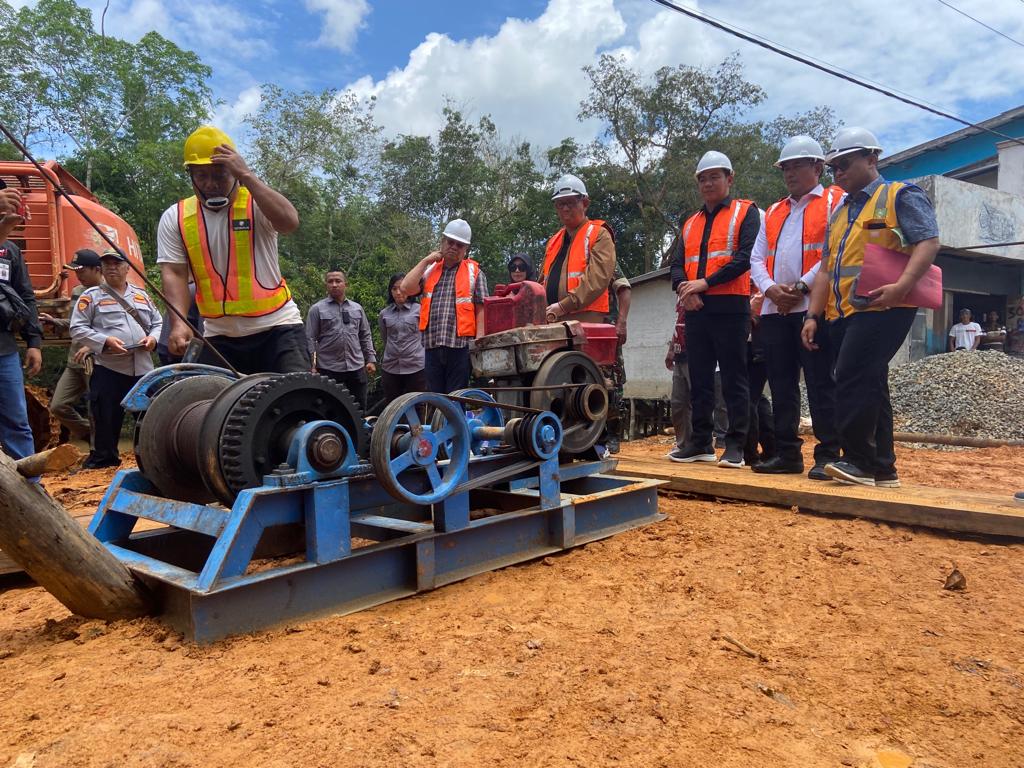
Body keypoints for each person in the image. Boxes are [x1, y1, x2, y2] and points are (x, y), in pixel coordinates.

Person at [802, 127, 940, 488]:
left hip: (886, 306)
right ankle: (883, 467)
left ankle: (859, 461)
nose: (839, 172)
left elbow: (928, 241)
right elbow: (827, 269)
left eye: (845, 164)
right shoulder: (841, 212)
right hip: (845, 311)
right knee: (871, 381)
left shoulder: (900, 195)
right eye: (834, 168)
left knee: (850, 375)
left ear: (872, 158)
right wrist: (813, 315)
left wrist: (903, 286)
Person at [157, 125, 309, 375]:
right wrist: (180, 323)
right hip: (219, 335)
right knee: (212, 408)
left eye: (219, 175)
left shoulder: (257, 203)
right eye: (201, 175)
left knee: (297, 402)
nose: (210, 184)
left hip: (278, 328)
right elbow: (174, 272)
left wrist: (248, 176)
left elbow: (289, 222)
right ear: (191, 175)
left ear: (234, 173)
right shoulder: (176, 217)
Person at [750, 135, 843, 479]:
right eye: (785, 167)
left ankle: (828, 453)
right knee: (781, 383)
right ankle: (787, 453)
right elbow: (757, 257)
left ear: (818, 167)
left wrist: (802, 285)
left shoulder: (835, 200)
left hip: (812, 308)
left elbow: (833, 250)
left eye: (797, 166)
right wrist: (771, 290)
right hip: (775, 311)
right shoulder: (774, 211)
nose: (790, 173)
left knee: (820, 382)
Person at [670, 151, 759, 469]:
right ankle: (700, 443)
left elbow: (744, 257)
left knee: (735, 379)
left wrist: (703, 284)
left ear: (729, 179)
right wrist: (686, 289)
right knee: (700, 379)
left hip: (731, 307)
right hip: (696, 309)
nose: (708, 183)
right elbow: (677, 265)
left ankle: (735, 445)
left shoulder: (746, 212)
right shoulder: (690, 223)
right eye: (703, 178)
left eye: (714, 177)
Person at [70, 249, 161, 469]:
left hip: (143, 370)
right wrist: (104, 341)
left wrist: (153, 339)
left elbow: (158, 323)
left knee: (148, 420)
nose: (112, 267)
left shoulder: (141, 295)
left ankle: (151, 462)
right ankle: (104, 464)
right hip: (109, 368)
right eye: (107, 264)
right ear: (100, 268)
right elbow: (77, 328)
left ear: (127, 267)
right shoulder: (90, 297)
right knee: (105, 420)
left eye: (117, 263)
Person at [400, 219, 488, 393]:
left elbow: (482, 309)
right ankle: (438, 422)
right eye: (450, 242)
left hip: (460, 347)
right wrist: (425, 261)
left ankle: (453, 421)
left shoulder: (475, 273)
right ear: (442, 242)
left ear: (465, 250)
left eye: (460, 245)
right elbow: (406, 288)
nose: (454, 247)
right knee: (435, 397)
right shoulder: (430, 270)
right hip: (432, 345)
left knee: (456, 397)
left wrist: (478, 342)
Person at [38, 249, 103, 442]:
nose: (78, 275)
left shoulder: (109, 292)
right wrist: (56, 321)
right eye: (76, 271)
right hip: (74, 360)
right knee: (58, 406)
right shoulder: (77, 292)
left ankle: (99, 450)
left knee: (96, 407)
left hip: (96, 361)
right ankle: (91, 436)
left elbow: (117, 328)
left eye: (82, 271)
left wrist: (93, 345)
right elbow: (75, 322)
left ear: (97, 269)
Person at [0, 182, 43, 463]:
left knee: (17, 423)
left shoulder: (11, 252)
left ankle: (32, 489)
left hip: (4, 350)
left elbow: (26, 296)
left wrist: (34, 342)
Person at [540, 174, 616, 324]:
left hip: (587, 319)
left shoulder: (598, 233)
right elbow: (542, 280)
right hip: (554, 319)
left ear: (585, 203)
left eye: (570, 202)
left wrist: (563, 306)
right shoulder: (553, 242)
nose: (565, 209)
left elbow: (597, 279)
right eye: (560, 204)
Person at [305, 269, 376, 409]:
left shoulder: (357, 308)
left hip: (356, 366)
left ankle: (359, 431)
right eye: (330, 281)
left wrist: (371, 360)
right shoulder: (317, 309)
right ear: (326, 285)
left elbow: (365, 335)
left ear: (346, 284)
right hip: (328, 368)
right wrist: (312, 365)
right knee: (329, 407)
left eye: (338, 281)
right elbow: (310, 338)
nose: (334, 284)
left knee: (359, 408)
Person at [379, 273, 427, 401]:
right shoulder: (384, 313)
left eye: (401, 288)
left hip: (416, 366)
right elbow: (385, 338)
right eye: (394, 289)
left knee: (418, 404)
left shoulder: (420, 310)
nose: (398, 292)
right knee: (393, 405)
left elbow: (426, 337)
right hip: (390, 367)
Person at [605, 266, 632, 453]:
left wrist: (621, 321)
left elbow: (624, 288)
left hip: (606, 328)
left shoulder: (606, 259)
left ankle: (613, 435)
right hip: (575, 329)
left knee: (613, 382)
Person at [665, 299, 691, 460]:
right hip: (680, 353)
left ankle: (700, 443)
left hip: (697, 352)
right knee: (678, 402)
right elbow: (678, 323)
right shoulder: (681, 295)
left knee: (697, 401)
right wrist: (671, 349)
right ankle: (683, 444)